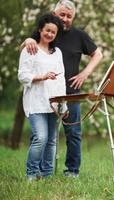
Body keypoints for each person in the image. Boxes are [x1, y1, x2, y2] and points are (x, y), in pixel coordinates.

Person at [22, 0, 103, 177]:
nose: (65, 19)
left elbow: (98, 54)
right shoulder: (48, 31)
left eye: (69, 16)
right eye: (62, 15)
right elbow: (27, 48)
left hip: (70, 93)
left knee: (73, 133)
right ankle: (37, 173)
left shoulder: (79, 35)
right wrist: (28, 39)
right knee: (40, 136)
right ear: (54, 13)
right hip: (43, 93)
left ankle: (72, 171)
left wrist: (85, 73)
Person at [18, 14, 66, 181]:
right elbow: (22, 76)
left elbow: (61, 79)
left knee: (52, 141)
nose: (50, 34)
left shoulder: (57, 53)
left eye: (53, 32)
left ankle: (47, 175)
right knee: (41, 138)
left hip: (53, 103)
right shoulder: (30, 49)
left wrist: (63, 104)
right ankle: (31, 173)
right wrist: (42, 77)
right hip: (35, 103)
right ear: (40, 29)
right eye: (47, 30)